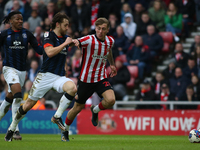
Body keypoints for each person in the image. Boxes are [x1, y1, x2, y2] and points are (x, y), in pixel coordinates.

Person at [4, 12, 77, 142]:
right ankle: (12, 127)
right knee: (27, 105)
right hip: (45, 76)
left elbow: (65, 50)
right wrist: (66, 44)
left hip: (59, 77)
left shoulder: (66, 38)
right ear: (58, 24)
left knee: (72, 88)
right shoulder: (48, 36)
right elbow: (49, 53)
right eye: (65, 25)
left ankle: (57, 116)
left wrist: (75, 42)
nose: (67, 28)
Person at [60, 18, 117, 141]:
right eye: (98, 28)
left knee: (111, 100)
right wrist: (72, 42)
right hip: (85, 80)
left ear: (107, 30)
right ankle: (65, 130)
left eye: (103, 29)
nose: (100, 31)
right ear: (95, 28)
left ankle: (95, 110)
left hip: (101, 78)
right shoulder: (89, 39)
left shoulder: (110, 41)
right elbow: (76, 42)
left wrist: (111, 64)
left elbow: (108, 51)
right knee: (77, 108)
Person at [0, 11, 43, 140]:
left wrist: (48, 43)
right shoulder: (4, 34)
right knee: (18, 94)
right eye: (17, 19)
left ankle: (14, 128)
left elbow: (39, 49)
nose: (20, 21)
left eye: (21, 19)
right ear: (11, 21)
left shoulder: (27, 34)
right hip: (9, 69)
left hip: (22, 71)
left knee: (12, 97)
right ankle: (15, 129)